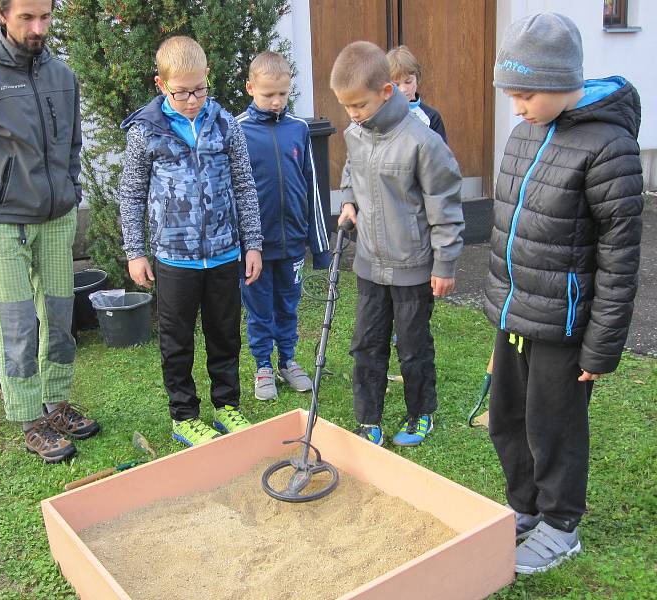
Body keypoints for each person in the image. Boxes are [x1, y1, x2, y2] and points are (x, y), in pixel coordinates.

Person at [485, 13, 643, 574]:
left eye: (524, 94)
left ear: (557, 83)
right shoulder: (528, 128)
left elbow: (620, 261)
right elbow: (511, 230)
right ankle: (525, 508)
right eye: (511, 95)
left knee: (554, 426)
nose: (516, 107)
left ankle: (560, 523)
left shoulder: (610, 148)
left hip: (567, 326)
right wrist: (501, 309)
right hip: (516, 313)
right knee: (509, 418)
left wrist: (600, 350)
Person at [0, 0, 98, 464]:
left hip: (56, 218)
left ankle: (58, 404)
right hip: (2, 222)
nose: (38, 27)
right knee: (19, 323)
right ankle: (30, 419)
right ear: (2, 15)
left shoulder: (62, 77)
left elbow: (72, 144)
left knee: (60, 317)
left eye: (45, 17)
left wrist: (70, 187)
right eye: (27, 17)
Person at [119, 36, 263, 447]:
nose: (191, 99)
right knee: (176, 339)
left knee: (225, 333)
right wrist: (135, 252)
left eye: (199, 89)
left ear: (207, 80)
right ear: (161, 85)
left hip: (223, 253)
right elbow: (130, 194)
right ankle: (184, 415)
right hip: (173, 259)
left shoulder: (225, 125)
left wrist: (252, 243)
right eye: (181, 92)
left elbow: (244, 186)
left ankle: (227, 405)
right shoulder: (145, 132)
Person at [330, 41, 464, 447]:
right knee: (366, 345)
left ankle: (420, 412)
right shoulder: (356, 134)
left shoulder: (423, 141)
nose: (352, 115)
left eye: (360, 105)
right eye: (346, 107)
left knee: (412, 347)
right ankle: (368, 419)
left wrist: (445, 264)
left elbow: (445, 205)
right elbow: (352, 171)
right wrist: (349, 199)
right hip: (370, 262)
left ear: (386, 92)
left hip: (412, 266)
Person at [236, 51, 331, 400]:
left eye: (283, 94)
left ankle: (288, 360)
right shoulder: (237, 130)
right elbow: (233, 193)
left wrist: (320, 246)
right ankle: (263, 365)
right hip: (255, 250)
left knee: (287, 306)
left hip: (291, 242)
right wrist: (244, 244)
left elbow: (312, 186)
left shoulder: (299, 130)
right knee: (259, 308)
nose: (276, 102)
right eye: (268, 95)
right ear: (250, 88)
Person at [386, 45, 448, 144]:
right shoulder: (378, 116)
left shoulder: (431, 117)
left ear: (417, 78)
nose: (403, 90)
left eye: (408, 82)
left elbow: (441, 156)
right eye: (396, 84)